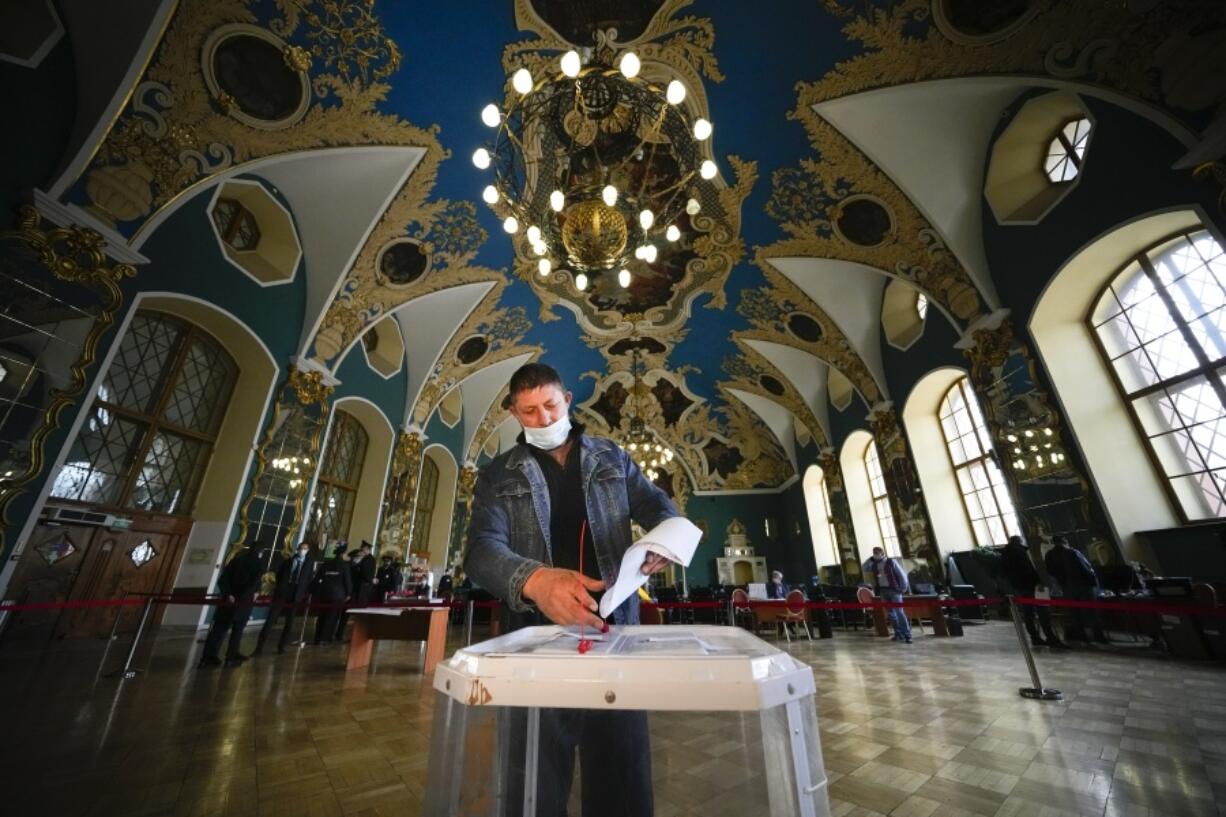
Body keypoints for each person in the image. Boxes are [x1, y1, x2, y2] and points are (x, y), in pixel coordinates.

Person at [464, 362, 679, 817]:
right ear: (512, 413)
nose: (542, 419)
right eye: (528, 411)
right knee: (534, 777)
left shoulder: (611, 457)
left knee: (622, 772)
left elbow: (657, 505)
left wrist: (665, 538)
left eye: (549, 405)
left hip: (614, 632)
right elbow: (481, 552)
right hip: (534, 638)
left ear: (567, 401)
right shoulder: (497, 475)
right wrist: (536, 580)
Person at [199, 543, 265, 667]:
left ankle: (208, 657)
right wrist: (251, 595)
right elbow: (253, 584)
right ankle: (231, 657)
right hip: (243, 601)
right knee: (237, 630)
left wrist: (229, 594)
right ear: (261, 552)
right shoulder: (259, 564)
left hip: (228, 600)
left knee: (218, 629)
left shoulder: (236, 560)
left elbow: (223, 580)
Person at [1001, 535, 1064, 648]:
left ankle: (1035, 638)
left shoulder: (1005, 554)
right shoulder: (1020, 552)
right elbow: (1028, 569)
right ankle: (1050, 637)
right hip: (1030, 586)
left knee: (1028, 614)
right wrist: (1038, 582)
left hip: (1018, 588)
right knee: (1042, 611)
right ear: (1020, 541)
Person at [1043, 536, 1108, 644]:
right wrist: (1094, 583)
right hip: (1083, 586)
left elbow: (1050, 571)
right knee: (1091, 611)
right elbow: (1086, 568)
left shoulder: (1049, 555)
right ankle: (1099, 636)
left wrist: (1062, 581)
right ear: (1065, 542)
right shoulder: (1073, 552)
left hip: (1066, 587)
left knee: (1075, 613)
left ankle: (1083, 637)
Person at [255, 541, 316, 654]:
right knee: (270, 620)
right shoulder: (288, 561)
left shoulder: (309, 564)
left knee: (289, 622)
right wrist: (281, 587)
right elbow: (279, 575)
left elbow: (308, 579)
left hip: (296, 594)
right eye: (301, 548)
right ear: (297, 549)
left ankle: (281, 646)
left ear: (307, 551)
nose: (302, 550)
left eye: (305, 548)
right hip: (282, 592)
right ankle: (259, 647)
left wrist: (303, 593)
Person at [862, 546, 912, 643]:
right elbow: (864, 568)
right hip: (883, 591)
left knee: (899, 612)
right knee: (891, 614)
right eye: (874, 553)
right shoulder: (874, 564)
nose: (875, 555)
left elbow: (902, 575)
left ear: (882, 553)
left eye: (877, 553)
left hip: (894, 590)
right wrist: (870, 559)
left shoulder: (891, 562)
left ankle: (907, 635)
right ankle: (898, 634)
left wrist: (903, 588)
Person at [312, 545, 352, 644]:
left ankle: (317, 638)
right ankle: (325, 638)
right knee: (332, 618)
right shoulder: (344, 565)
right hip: (338, 595)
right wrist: (349, 593)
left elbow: (317, 578)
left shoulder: (326, 563)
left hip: (324, 593)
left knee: (322, 616)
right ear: (343, 554)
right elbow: (347, 581)